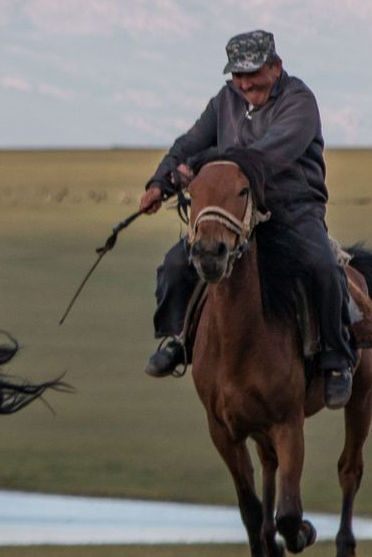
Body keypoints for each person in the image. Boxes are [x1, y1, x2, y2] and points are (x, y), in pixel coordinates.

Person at [138, 30, 357, 409]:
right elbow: (190, 142)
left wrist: (207, 164)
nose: (244, 83)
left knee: (321, 265)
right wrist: (162, 181)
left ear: (275, 66)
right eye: (237, 76)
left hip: (292, 208)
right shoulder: (225, 100)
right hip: (235, 213)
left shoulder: (299, 102)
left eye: (252, 73)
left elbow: (268, 154)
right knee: (177, 263)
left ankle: (337, 360)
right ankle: (177, 339)